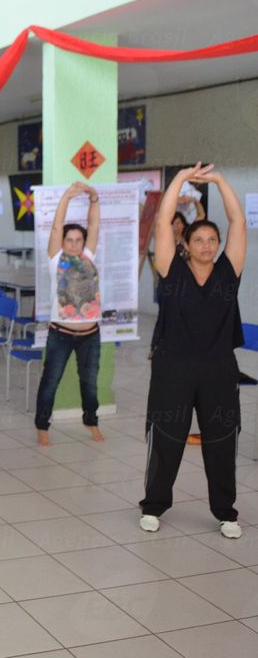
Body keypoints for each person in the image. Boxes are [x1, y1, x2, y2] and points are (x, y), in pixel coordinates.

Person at [141, 163, 246, 540]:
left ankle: (225, 512)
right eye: (198, 240)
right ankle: (153, 506)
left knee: (220, 441)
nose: (206, 245)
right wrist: (181, 179)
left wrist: (218, 181)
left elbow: (238, 222)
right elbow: (162, 220)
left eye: (211, 241)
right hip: (173, 369)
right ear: (185, 243)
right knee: (167, 437)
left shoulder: (227, 274)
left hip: (218, 369)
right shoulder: (173, 270)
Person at [34, 182, 104, 446]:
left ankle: (92, 422)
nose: (74, 244)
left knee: (90, 383)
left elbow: (94, 226)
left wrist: (94, 198)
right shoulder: (56, 259)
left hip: (91, 334)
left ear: (84, 243)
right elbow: (56, 225)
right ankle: (43, 426)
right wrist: (65, 197)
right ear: (62, 242)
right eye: (69, 240)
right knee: (50, 382)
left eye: (78, 240)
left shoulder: (89, 257)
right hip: (60, 334)